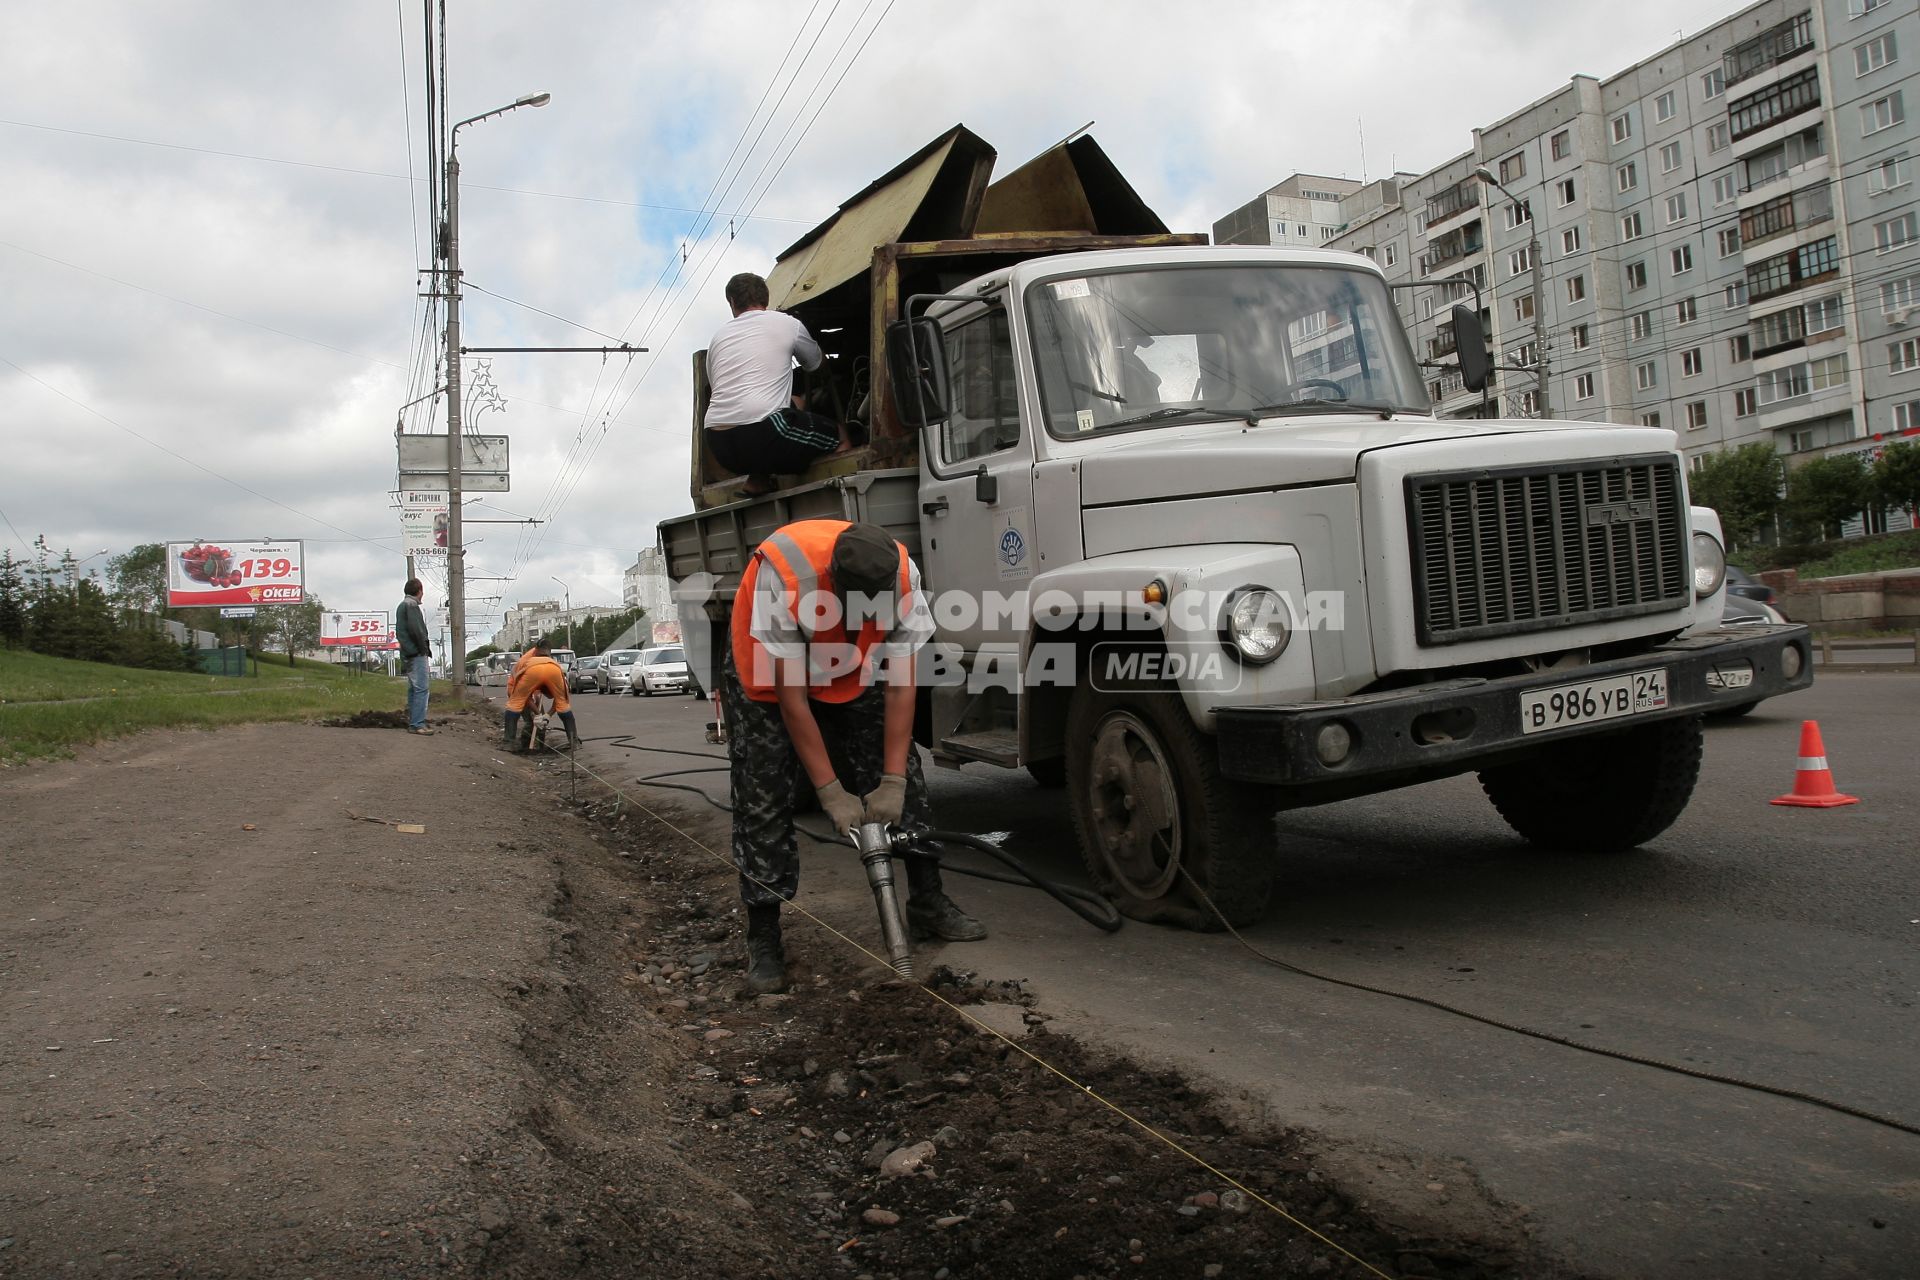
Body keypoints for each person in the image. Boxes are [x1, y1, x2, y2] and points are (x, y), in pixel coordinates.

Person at [723, 518, 985, 995]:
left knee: (903, 766)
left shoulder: (904, 578)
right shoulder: (784, 578)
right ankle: (764, 937)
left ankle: (928, 901)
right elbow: (793, 700)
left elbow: (903, 684)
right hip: (765, 674)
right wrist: (829, 791)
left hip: (852, 666)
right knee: (762, 796)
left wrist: (892, 782)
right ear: (835, 587)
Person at [703, 272, 844, 492]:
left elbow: (719, 388)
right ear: (766, 299)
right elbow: (816, 365)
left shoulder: (718, 338)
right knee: (839, 435)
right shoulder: (788, 324)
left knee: (789, 409)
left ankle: (758, 480)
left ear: (732, 302)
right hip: (762, 434)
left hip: (718, 443)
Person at [504, 640, 579, 751]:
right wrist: (544, 715)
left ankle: (508, 743)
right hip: (553, 670)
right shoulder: (552, 662)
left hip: (531, 671)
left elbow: (526, 697)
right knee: (563, 706)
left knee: (514, 706)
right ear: (549, 651)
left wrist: (543, 715)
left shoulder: (526, 661)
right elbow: (560, 700)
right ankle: (574, 742)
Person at [397, 578, 434, 735]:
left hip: (407, 652)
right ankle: (417, 724)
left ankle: (414, 722)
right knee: (422, 689)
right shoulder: (411, 606)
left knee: (414, 689)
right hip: (416, 653)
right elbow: (417, 630)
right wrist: (424, 649)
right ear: (419, 590)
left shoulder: (402, 606)